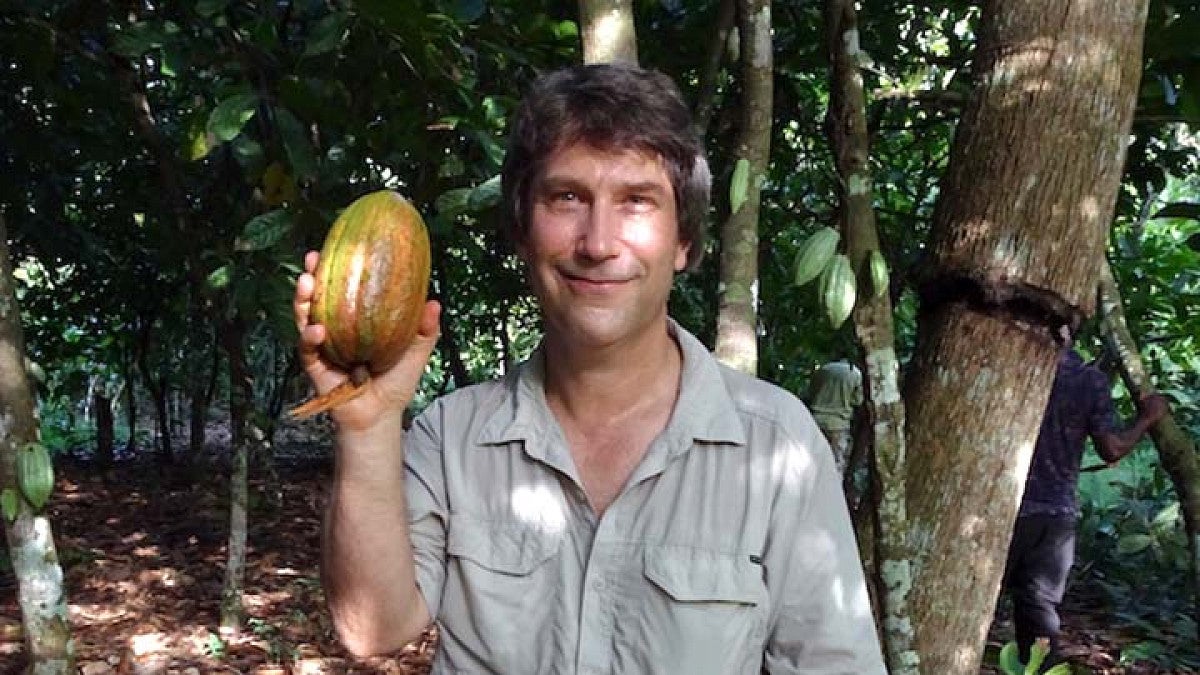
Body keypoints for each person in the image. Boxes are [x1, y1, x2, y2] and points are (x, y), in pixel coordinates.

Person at [295, 63, 886, 673]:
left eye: (637, 201)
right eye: (568, 198)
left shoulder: (779, 449)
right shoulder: (452, 437)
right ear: (523, 232)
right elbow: (372, 627)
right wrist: (366, 427)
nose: (598, 243)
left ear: (684, 241)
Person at [1002, 332, 1168, 664]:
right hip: (1053, 512)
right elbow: (1112, 449)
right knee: (1038, 604)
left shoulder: (1009, 367)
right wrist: (1148, 418)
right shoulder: (1087, 380)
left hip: (1001, 505)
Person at [804, 358, 863, 475]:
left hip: (816, 420)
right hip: (838, 423)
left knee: (812, 460)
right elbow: (858, 400)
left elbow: (811, 393)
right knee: (837, 463)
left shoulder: (823, 370)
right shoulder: (854, 373)